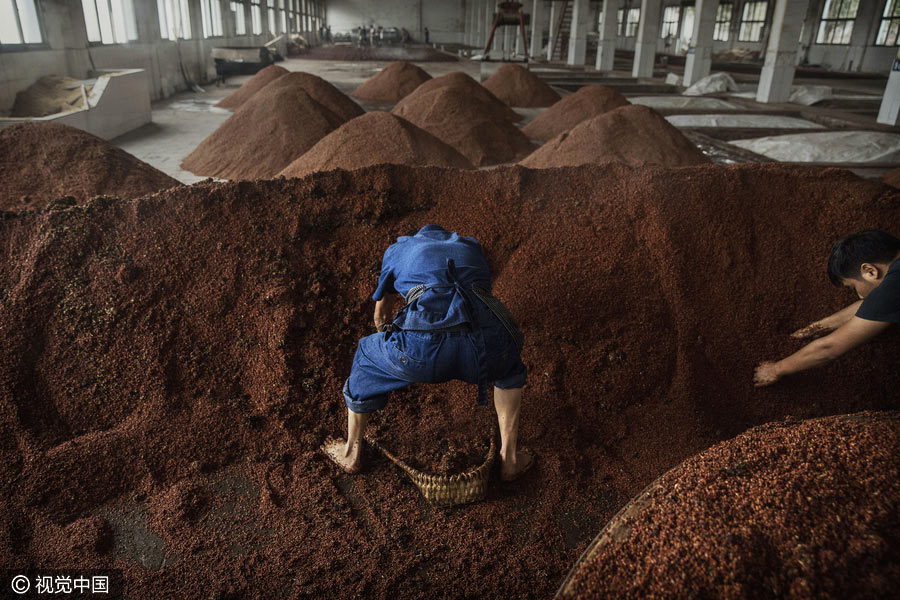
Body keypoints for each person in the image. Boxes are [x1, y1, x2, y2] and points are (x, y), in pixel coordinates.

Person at [321, 225, 534, 482]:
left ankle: (351, 452)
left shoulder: (398, 250)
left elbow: (381, 315)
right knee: (509, 370)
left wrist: (393, 351)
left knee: (366, 354)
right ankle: (509, 460)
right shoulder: (472, 248)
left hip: (420, 351)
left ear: (415, 239)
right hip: (484, 349)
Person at [754, 230, 900, 387]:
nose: (860, 295)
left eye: (852, 287)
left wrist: (775, 369)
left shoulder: (893, 286)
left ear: (870, 271)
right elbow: (878, 304)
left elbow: (828, 349)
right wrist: (818, 327)